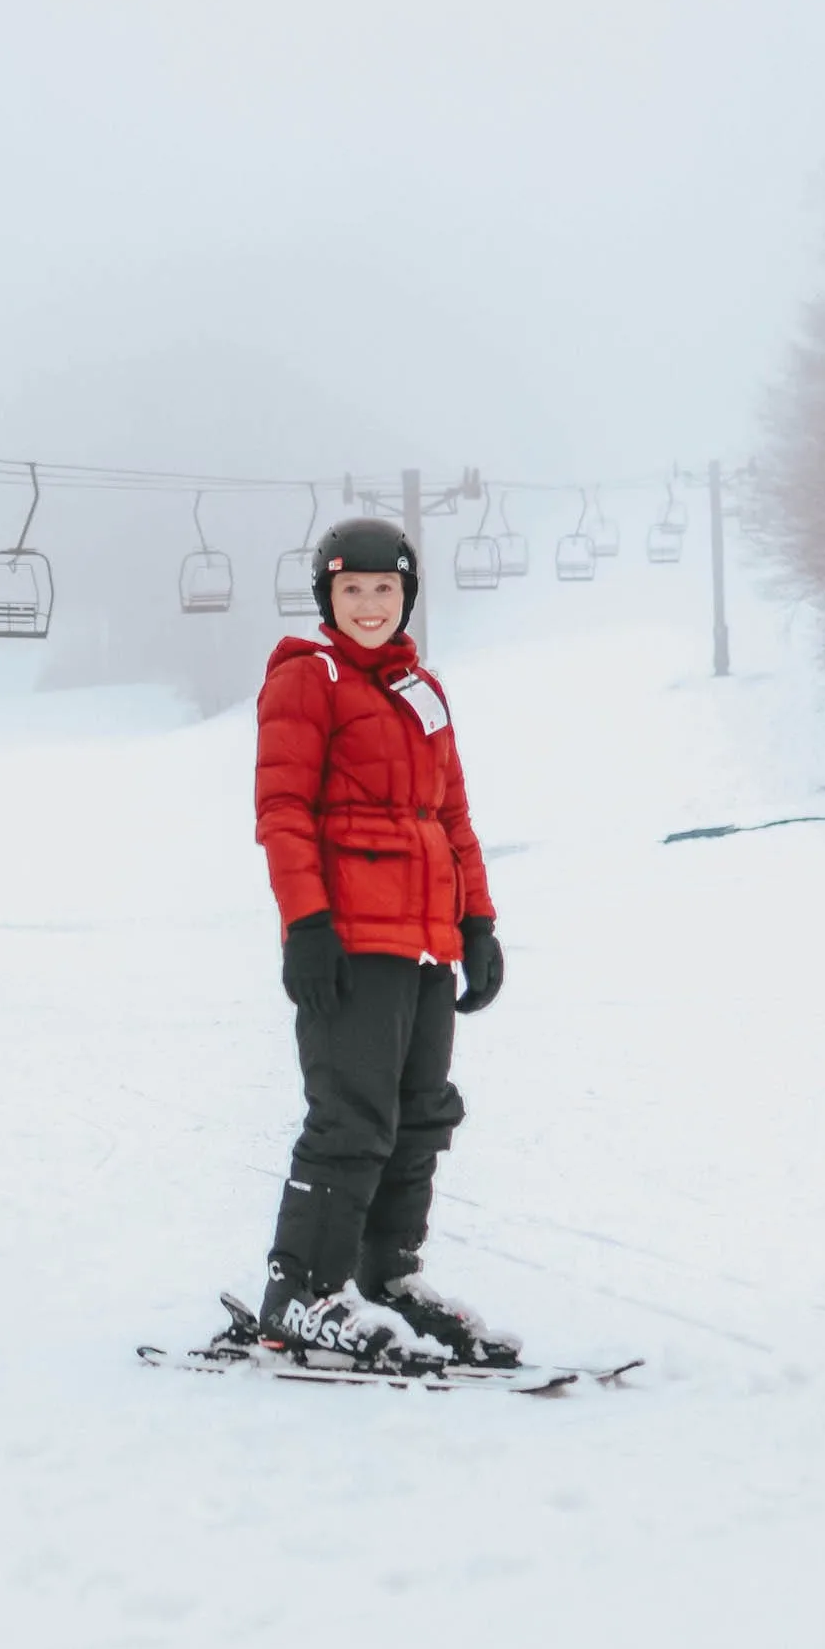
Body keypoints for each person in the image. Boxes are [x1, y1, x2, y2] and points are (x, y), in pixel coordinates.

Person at [241, 515, 515, 1373]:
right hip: (352, 940)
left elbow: (453, 816)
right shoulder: (307, 678)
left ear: (407, 597)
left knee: (420, 1117)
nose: (369, 605)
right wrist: (307, 925)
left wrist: (479, 921)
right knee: (352, 1118)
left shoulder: (421, 688)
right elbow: (283, 812)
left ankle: (385, 1278)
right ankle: (302, 1292)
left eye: (384, 590)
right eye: (351, 590)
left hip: (428, 941)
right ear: (328, 596)